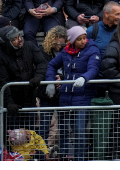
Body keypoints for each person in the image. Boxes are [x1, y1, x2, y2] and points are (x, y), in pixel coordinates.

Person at [43, 25, 102, 160]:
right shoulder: (65, 51)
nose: (83, 41)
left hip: (83, 95)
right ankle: (65, 157)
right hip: (66, 95)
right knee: (63, 130)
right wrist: (50, 82)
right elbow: (52, 65)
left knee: (80, 130)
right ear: (72, 41)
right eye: (79, 39)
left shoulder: (92, 50)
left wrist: (84, 77)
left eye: (84, 38)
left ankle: (80, 159)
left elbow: (94, 68)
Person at [0, 26, 47, 123]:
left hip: (29, 99)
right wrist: (9, 103)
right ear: (7, 43)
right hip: (12, 103)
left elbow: (42, 62)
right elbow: (3, 81)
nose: (19, 40)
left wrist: (38, 76)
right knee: (12, 135)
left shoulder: (29, 46)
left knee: (30, 133)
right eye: (14, 39)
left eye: (19, 36)